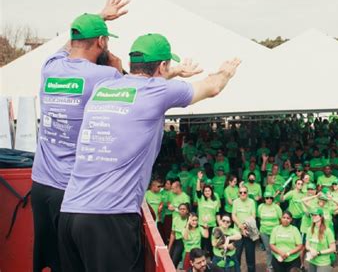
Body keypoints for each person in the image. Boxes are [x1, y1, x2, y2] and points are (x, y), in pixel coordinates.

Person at [58, 32, 241, 271]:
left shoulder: (105, 87)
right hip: (110, 217)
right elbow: (212, 87)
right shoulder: (157, 92)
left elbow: (141, 86)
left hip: (70, 212)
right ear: (162, 65)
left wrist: (172, 74)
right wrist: (226, 71)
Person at [30, 0, 129, 272]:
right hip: (72, 191)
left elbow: (68, 45)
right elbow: (132, 104)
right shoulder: (105, 77)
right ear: (101, 42)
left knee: (46, 260)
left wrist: (101, 17)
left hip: (40, 185)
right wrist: (119, 71)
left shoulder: (50, 67)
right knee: (71, 263)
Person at [232, 185, 257, 272]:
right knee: (236, 256)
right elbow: (233, 215)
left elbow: (253, 215)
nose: (243, 194)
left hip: (249, 231)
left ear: (247, 193)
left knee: (250, 257)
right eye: (241, 192)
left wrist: (245, 226)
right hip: (237, 233)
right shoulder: (235, 202)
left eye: (245, 192)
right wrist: (241, 226)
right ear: (238, 193)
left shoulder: (252, 202)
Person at [258, 191, 283, 272]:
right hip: (264, 231)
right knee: (268, 249)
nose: (269, 199)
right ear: (264, 199)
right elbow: (259, 218)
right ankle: (269, 266)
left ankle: (277, 265)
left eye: (271, 198)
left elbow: (281, 219)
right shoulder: (260, 207)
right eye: (267, 198)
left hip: (274, 232)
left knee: (275, 249)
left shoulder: (276, 207)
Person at [169, 203, 191, 267]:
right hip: (177, 241)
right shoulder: (175, 219)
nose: (182, 210)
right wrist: (169, 247)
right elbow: (173, 234)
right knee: (172, 260)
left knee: (177, 261)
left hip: (186, 241)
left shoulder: (190, 219)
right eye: (180, 209)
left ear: (187, 210)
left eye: (184, 209)